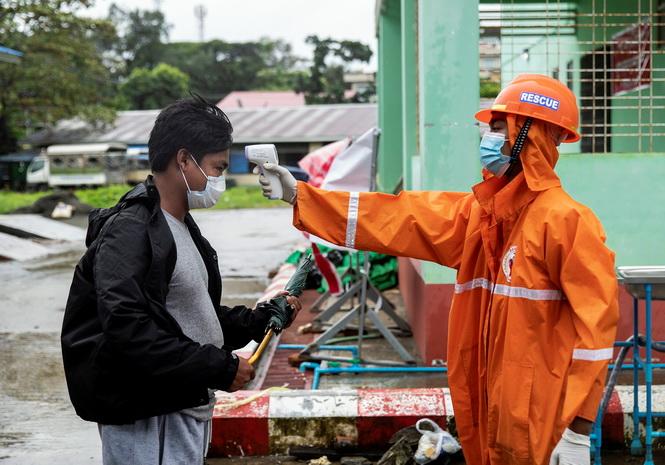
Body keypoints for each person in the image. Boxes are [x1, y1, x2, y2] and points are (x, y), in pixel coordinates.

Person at [257, 74, 619, 465]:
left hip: (544, 421)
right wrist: (300, 195)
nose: (488, 137)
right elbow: (396, 217)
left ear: (529, 135)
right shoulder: (482, 216)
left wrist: (577, 431)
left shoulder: (568, 223)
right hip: (488, 411)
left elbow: (595, 335)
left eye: (499, 127)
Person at [61, 95, 301, 465]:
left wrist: (257, 319)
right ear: (184, 159)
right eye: (217, 168)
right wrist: (218, 367)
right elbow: (128, 329)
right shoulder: (129, 232)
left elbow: (191, 314)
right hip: (148, 413)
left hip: (182, 406)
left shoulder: (182, 229)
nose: (220, 179)